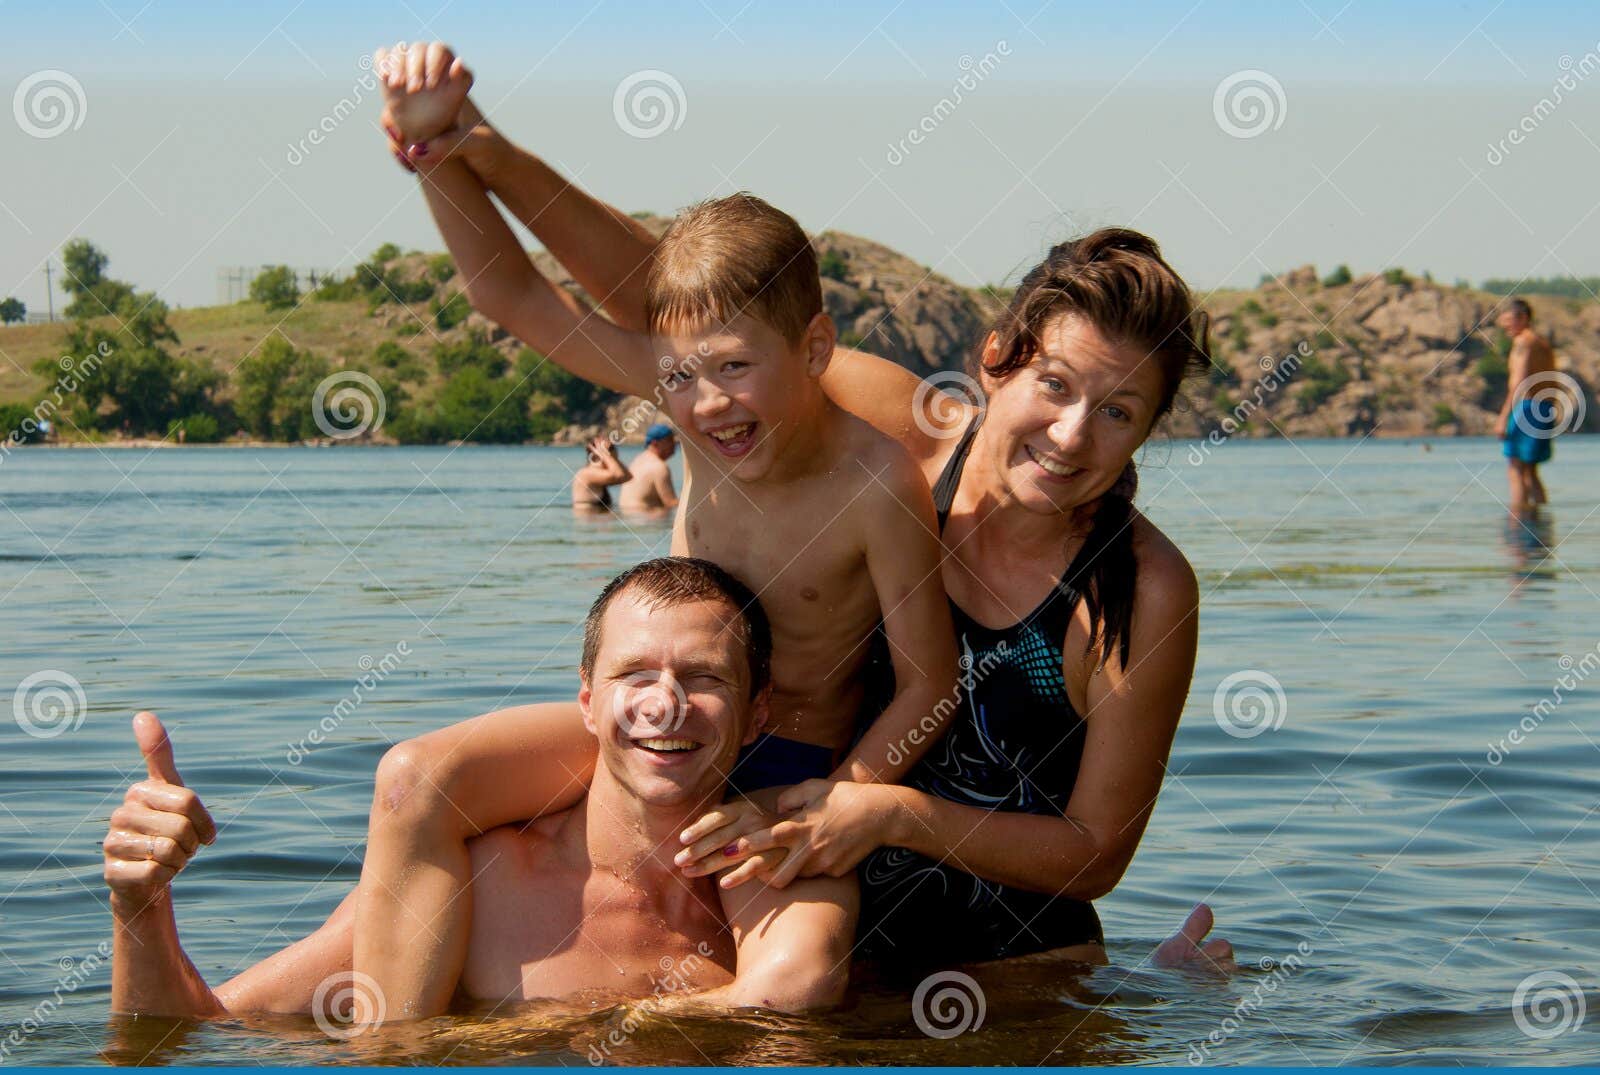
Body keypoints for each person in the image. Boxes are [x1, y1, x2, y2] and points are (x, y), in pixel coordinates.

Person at [371, 43, 1234, 994]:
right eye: (1055, 386)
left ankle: (1156, 981)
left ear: (1152, 426)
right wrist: (466, 146)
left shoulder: (1137, 587)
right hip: (781, 833)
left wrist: (874, 809)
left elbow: (1094, 853)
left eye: (1119, 412)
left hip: (1003, 970)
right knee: (416, 799)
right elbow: (665, 300)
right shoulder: (889, 426)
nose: (1072, 437)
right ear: (996, 360)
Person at [360, 42, 961, 1021]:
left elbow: (931, 682)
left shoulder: (874, 478)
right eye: (677, 375)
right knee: (418, 776)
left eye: (731, 367)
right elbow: (508, 295)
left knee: (792, 996)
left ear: (813, 349)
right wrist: (443, 154)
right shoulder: (696, 414)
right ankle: (391, 1060)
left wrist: (840, 799)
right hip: (658, 724)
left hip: (781, 756)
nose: (705, 403)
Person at [103, 558, 851, 1017]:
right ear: (586, 702)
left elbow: (796, 999)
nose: (665, 703)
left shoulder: (777, 886)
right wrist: (139, 905)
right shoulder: (468, 887)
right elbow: (188, 1035)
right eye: (633, 674)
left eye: (703, 677)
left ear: (757, 714)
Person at [1494, 298, 1566, 513]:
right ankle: (1539, 523)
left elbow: (1519, 381)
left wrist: (1503, 417)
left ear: (1523, 318)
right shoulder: (1541, 343)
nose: (1505, 326)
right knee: (1530, 470)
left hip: (1527, 408)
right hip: (1544, 409)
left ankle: (1517, 521)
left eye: (1508, 321)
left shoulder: (1524, 342)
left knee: (1515, 467)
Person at [618, 422, 679, 512]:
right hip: (647, 521)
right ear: (655, 443)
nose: (675, 444)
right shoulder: (659, 467)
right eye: (670, 440)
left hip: (628, 517)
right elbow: (671, 503)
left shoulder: (637, 460)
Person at [571, 434, 630, 510]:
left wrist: (613, 458)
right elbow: (619, 475)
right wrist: (605, 454)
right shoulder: (586, 473)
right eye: (612, 448)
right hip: (589, 519)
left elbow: (627, 477)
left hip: (596, 518)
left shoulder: (600, 473)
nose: (615, 451)